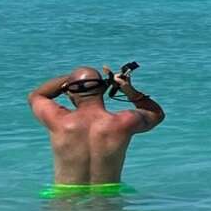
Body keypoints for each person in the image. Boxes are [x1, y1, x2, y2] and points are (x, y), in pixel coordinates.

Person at [26, 66, 165, 195]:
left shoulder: (58, 121)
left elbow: (36, 95)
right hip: (109, 196)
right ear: (104, 88)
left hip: (64, 196)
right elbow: (156, 113)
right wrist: (128, 89)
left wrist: (70, 79)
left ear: (68, 92)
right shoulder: (123, 122)